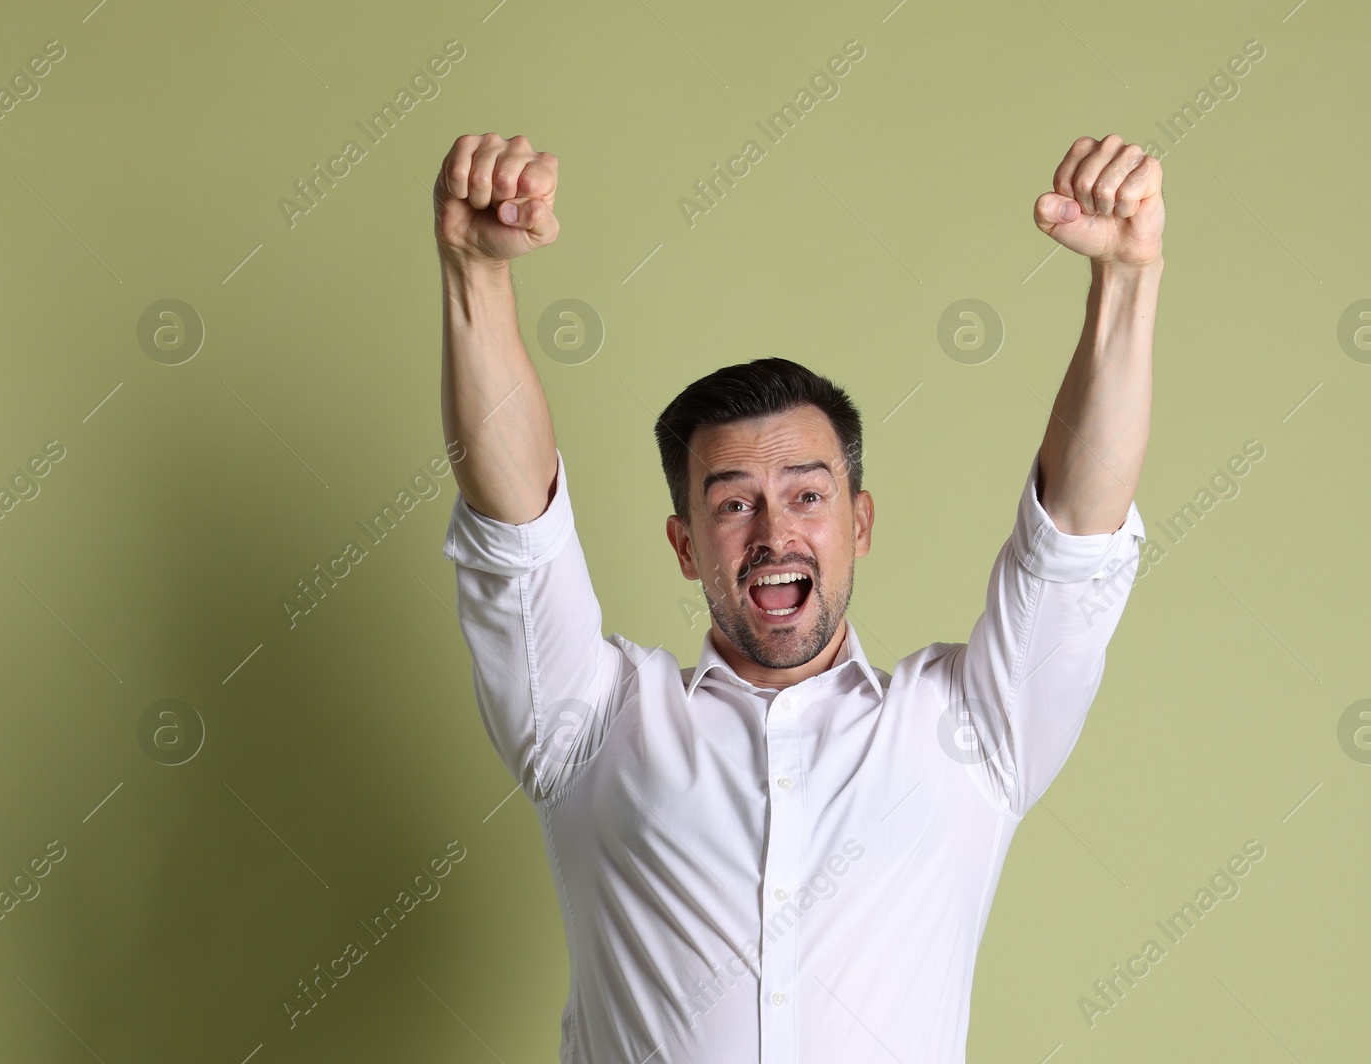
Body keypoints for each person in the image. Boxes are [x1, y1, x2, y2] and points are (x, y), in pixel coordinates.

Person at [434, 131, 1162, 1063]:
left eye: (807, 496)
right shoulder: (590, 726)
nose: (776, 535)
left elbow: (1074, 539)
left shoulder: (976, 730)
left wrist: (1128, 281)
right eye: (733, 504)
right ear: (686, 546)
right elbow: (514, 537)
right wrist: (474, 276)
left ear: (859, 523)